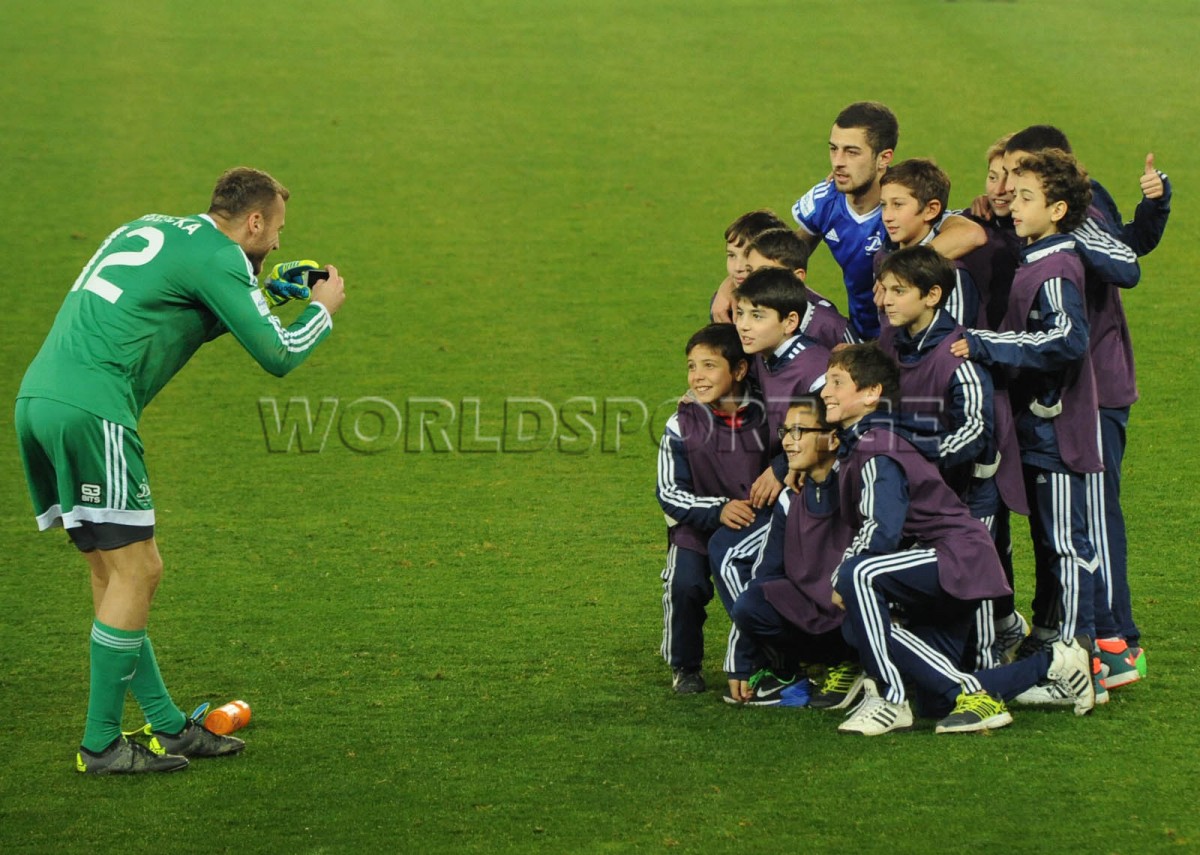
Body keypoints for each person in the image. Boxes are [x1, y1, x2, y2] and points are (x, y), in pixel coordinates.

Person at [15, 167, 347, 775]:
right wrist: (321, 310)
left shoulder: (153, 228)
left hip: (40, 400)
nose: (277, 242)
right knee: (139, 570)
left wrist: (267, 294)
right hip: (94, 410)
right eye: (276, 229)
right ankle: (101, 745)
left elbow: (177, 310)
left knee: (114, 574)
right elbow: (278, 353)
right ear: (254, 221)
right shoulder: (219, 257)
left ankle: (168, 727)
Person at [819, 345, 1091, 735]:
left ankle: (891, 700)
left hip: (955, 556)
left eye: (837, 382)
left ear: (871, 393)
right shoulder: (868, 441)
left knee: (857, 576)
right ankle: (1054, 664)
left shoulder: (876, 445)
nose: (825, 391)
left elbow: (882, 531)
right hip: (950, 560)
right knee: (935, 699)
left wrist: (842, 577)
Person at [993, 126, 1171, 688]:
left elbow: (1126, 262)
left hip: (1093, 390)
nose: (1008, 188)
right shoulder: (1036, 218)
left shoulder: (1079, 217)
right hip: (1069, 390)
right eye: (1004, 177)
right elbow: (1131, 240)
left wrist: (1070, 234)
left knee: (1091, 519)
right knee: (1072, 522)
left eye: (1019, 178)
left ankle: (1115, 643)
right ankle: (1069, 633)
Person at [950, 150, 1101, 693]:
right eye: (1013, 194)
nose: (1013, 204)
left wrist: (988, 344)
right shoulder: (1035, 257)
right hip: (1036, 427)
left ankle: (1076, 661)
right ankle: (1052, 645)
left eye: (1026, 197)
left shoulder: (1056, 268)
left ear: (1057, 210)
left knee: (1065, 545)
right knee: (1048, 540)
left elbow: (1067, 339)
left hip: (1057, 431)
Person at [874, 246, 1028, 667]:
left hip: (970, 490)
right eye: (884, 289)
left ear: (932, 295)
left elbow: (975, 433)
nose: (886, 300)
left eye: (899, 291)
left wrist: (914, 454)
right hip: (921, 488)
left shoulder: (959, 355)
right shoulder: (890, 341)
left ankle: (987, 666)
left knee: (972, 577)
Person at [707, 267, 832, 693]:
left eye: (757, 315)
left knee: (729, 554)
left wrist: (782, 468)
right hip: (792, 487)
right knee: (725, 546)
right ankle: (776, 658)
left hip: (817, 496)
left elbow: (836, 431)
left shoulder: (813, 368)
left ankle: (773, 662)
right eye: (741, 313)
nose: (743, 324)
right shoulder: (767, 357)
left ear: (790, 322)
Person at [788, 102, 986, 340]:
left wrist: (899, 271)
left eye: (852, 152)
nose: (837, 161)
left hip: (905, 339)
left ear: (884, 158)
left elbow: (970, 234)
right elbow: (786, 258)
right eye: (833, 149)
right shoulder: (825, 199)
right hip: (860, 334)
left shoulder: (903, 202)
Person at [656, 324, 769, 695]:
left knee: (759, 587)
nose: (698, 376)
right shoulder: (680, 423)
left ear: (739, 370)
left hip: (754, 525)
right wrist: (718, 509)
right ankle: (685, 666)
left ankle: (767, 660)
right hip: (697, 526)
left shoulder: (768, 416)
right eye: (692, 366)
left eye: (709, 365)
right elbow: (668, 492)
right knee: (684, 585)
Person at [726, 396, 856, 705]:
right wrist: (740, 661)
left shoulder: (858, 483)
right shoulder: (790, 498)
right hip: (817, 617)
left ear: (832, 439)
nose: (786, 441)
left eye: (799, 431)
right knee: (752, 603)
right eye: (785, 431)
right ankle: (823, 665)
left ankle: (861, 665)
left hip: (856, 612)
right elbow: (764, 576)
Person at [876, 159, 985, 328]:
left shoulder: (950, 272)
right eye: (884, 205)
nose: (887, 216)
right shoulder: (884, 254)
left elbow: (954, 338)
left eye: (898, 205)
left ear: (931, 210)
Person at [740, 228, 855, 348]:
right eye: (749, 271)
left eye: (766, 274)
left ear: (797, 277)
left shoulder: (830, 326)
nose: (753, 281)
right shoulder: (743, 309)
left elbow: (859, 357)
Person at [710, 210, 789, 322]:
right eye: (731, 255)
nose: (738, 268)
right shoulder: (724, 306)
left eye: (747, 256)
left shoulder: (807, 316)